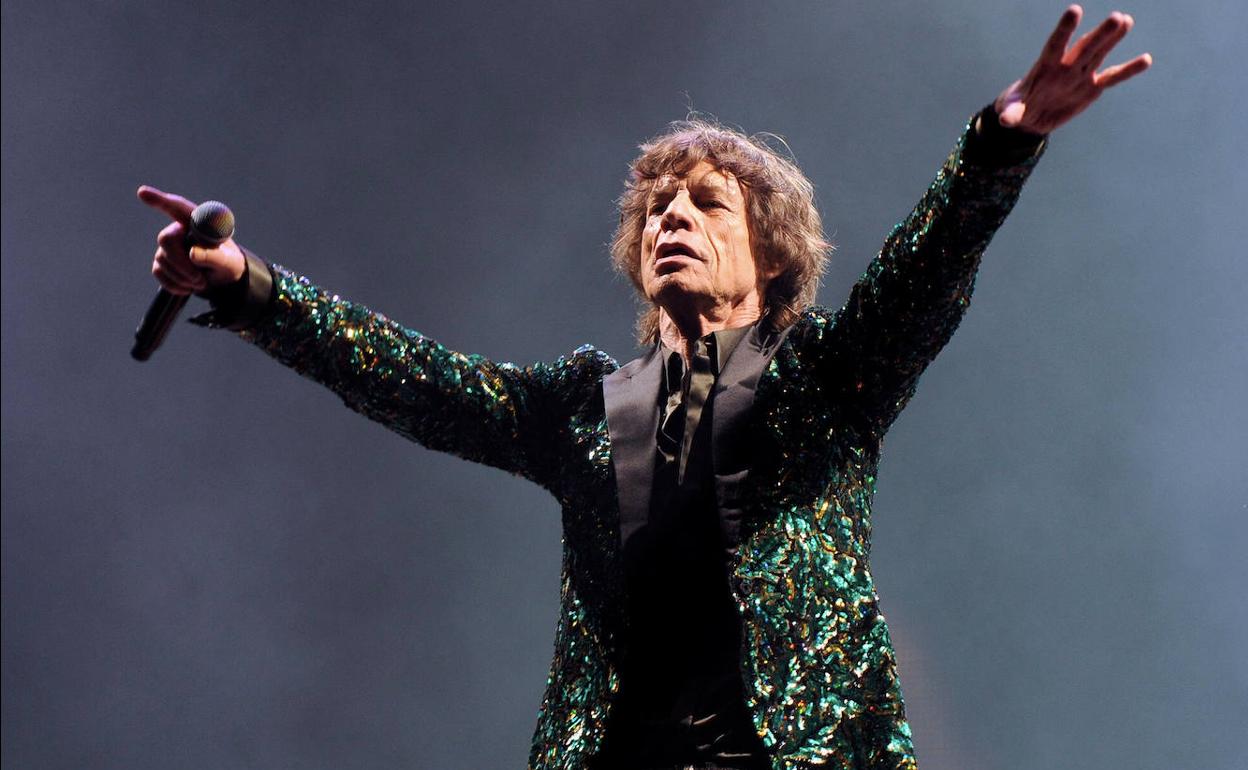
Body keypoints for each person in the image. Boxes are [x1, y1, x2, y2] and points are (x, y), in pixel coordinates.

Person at [138, 6, 1150, 769]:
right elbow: (414, 377)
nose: (672, 217)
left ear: (771, 254)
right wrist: (248, 285)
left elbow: (923, 275)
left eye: (706, 203)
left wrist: (1002, 143)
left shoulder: (827, 380)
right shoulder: (580, 405)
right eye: (659, 205)